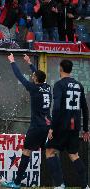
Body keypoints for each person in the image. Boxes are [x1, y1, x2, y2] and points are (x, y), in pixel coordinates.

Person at [2, 53, 52, 189]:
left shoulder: (33, 88)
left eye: (33, 76)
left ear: (35, 79)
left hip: (36, 126)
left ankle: (17, 182)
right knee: (50, 153)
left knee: (26, 151)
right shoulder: (48, 88)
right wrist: (29, 63)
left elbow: (19, 76)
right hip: (47, 126)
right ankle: (59, 182)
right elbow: (39, 75)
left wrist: (12, 62)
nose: (32, 76)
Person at [45, 60, 89, 189]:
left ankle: (59, 184)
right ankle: (85, 185)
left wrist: (52, 128)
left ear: (61, 69)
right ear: (70, 70)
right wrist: (85, 129)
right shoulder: (79, 85)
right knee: (74, 155)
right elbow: (85, 109)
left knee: (49, 151)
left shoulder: (59, 85)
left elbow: (57, 108)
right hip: (74, 126)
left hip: (62, 125)